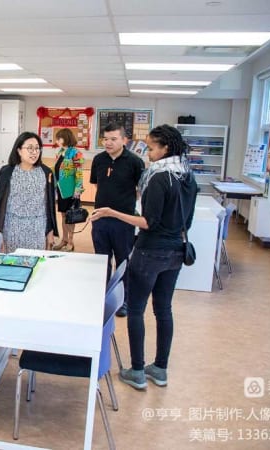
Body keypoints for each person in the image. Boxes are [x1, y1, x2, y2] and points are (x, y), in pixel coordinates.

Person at [90, 124, 198, 390]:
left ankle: (137, 371)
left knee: (136, 309)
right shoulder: (187, 175)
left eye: (151, 147)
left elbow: (148, 221)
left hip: (151, 251)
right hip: (176, 251)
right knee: (164, 309)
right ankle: (160, 369)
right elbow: (189, 219)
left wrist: (112, 213)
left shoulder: (159, 177)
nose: (147, 152)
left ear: (165, 148)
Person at [90, 122, 145, 317]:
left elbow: (140, 191)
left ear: (124, 140)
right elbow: (97, 186)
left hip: (123, 221)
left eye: (113, 139)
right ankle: (101, 296)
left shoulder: (135, 162)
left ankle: (123, 301)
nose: (108, 143)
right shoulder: (98, 160)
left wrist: (121, 207)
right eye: (106, 139)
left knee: (123, 261)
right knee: (102, 260)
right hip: (100, 219)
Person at [0, 131, 58, 253]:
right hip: (12, 226)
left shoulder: (46, 172)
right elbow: (0, 203)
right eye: (30, 148)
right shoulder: (7, 172)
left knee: (34, 264)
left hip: (37, 226)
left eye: (37, 148)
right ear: (19, 150)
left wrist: (50, 233)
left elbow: (49, 206)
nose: (34, 152)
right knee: (12, 263)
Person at [52, 128, 85, 252]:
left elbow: (79, 173)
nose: (57, 140)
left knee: (71, 216)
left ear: (65, 138)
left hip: (72, 190)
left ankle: (70, 241)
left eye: (59, 138)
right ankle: (64, 240)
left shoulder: (76, 153)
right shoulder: (60, 151)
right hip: (61, 189)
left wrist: (78, 189)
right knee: (63, 215)